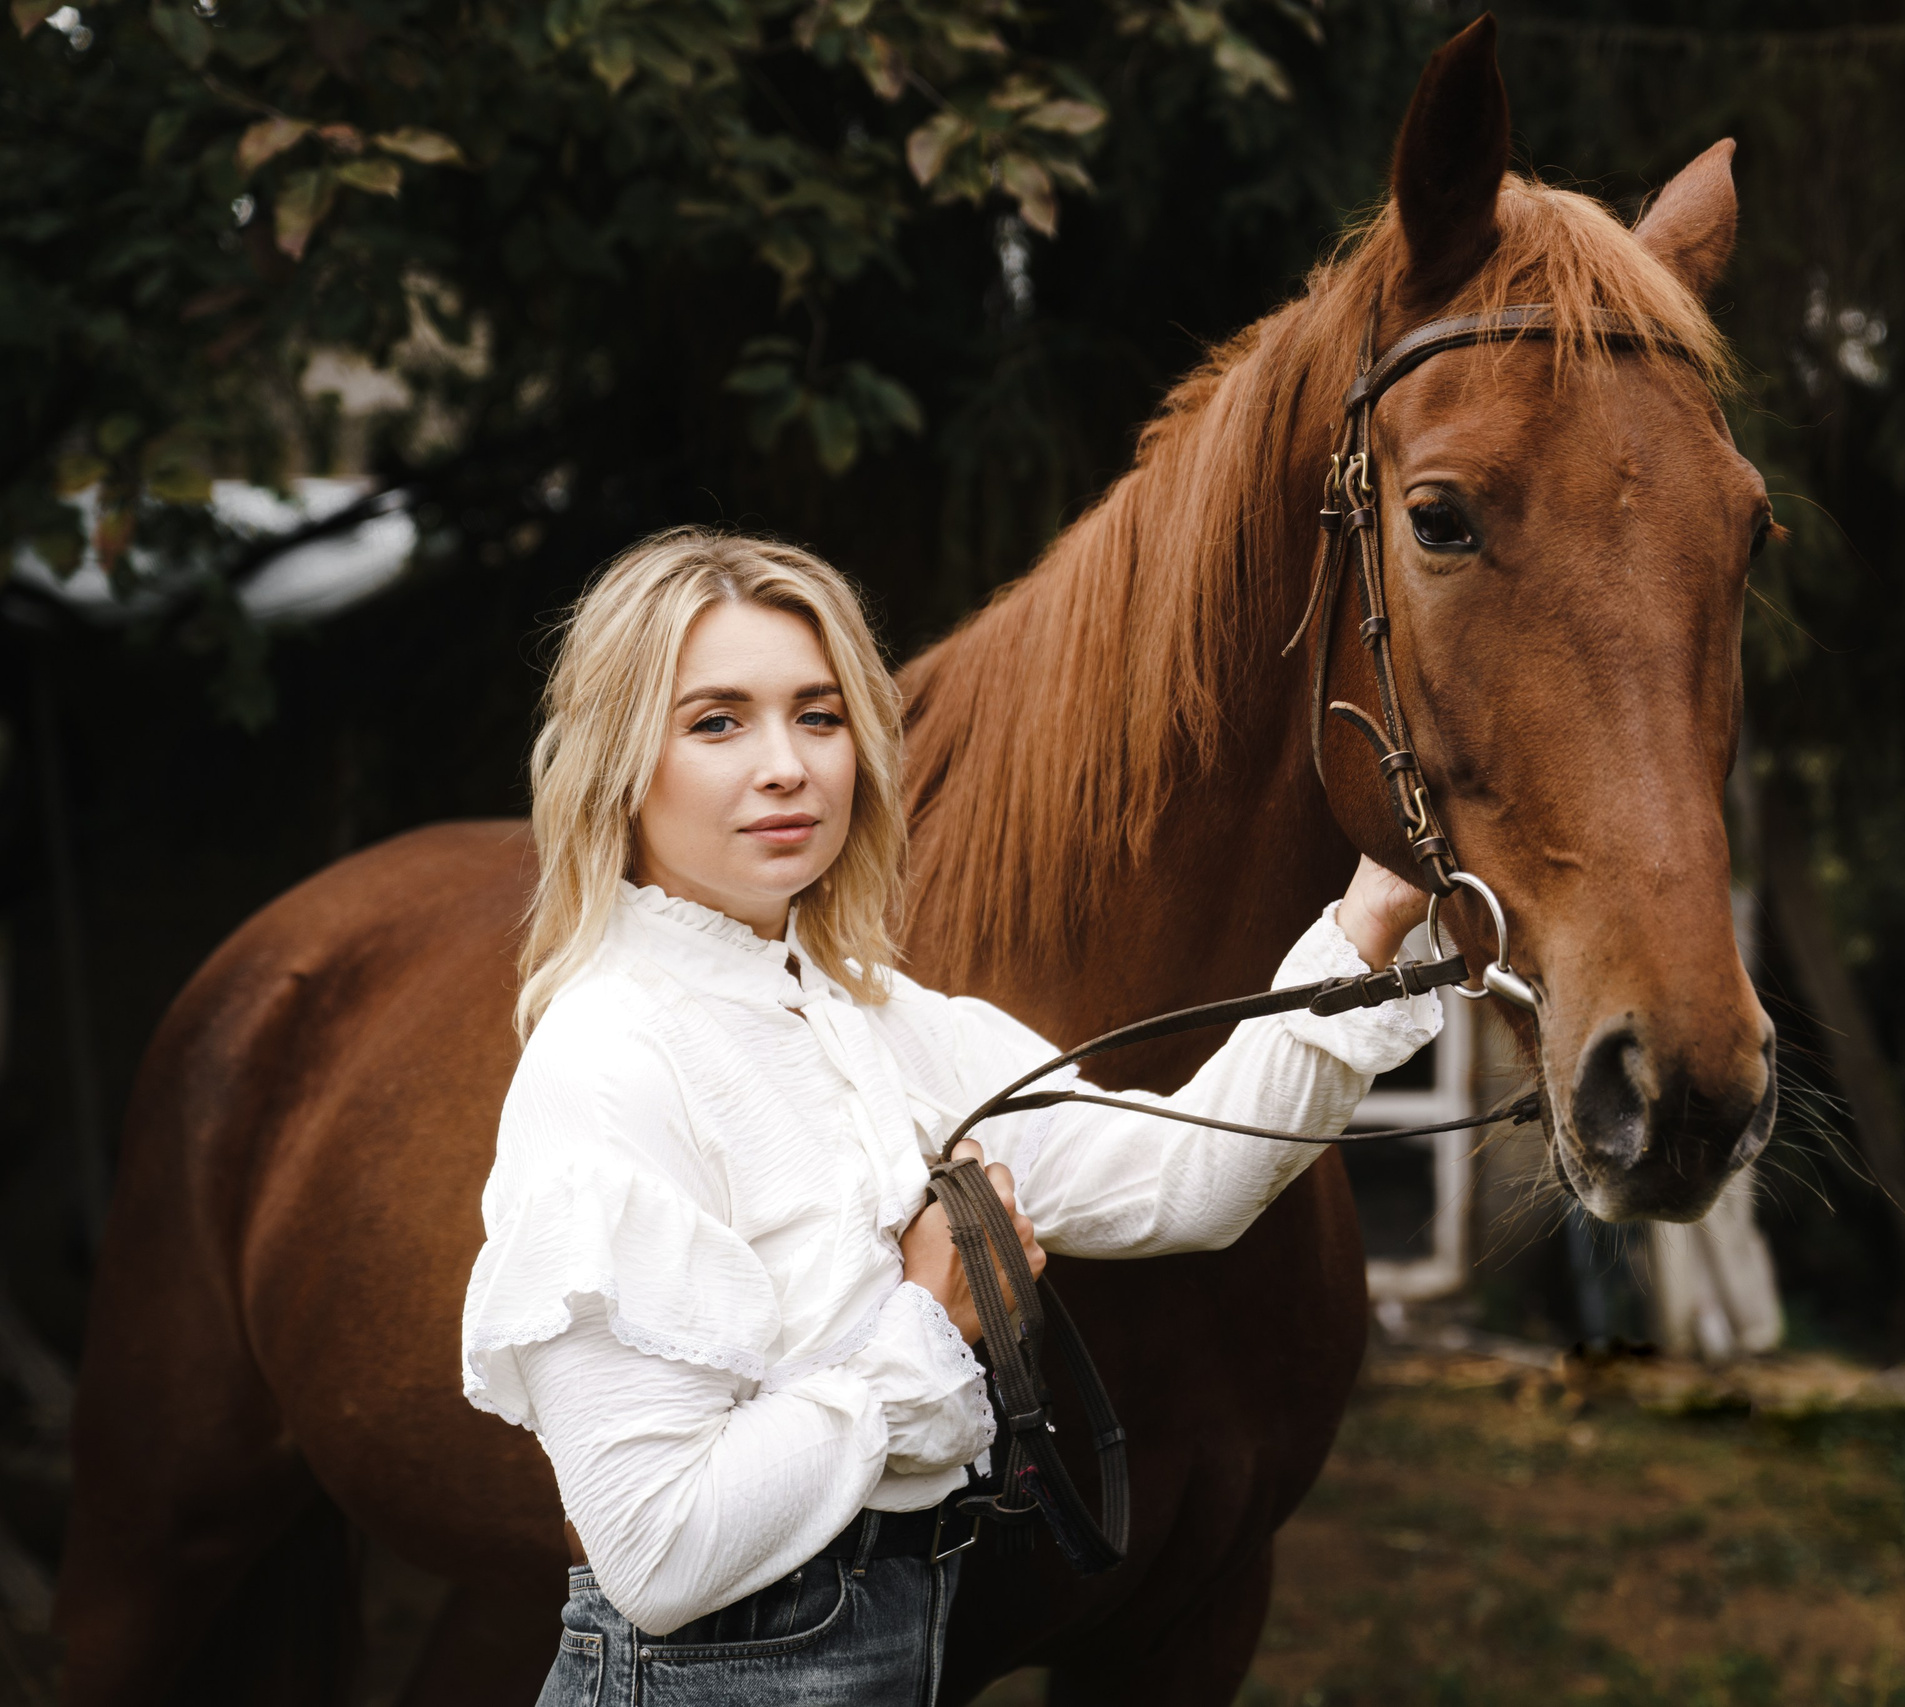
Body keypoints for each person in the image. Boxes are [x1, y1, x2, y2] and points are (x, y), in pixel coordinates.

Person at [459, 530, 1438, 1706]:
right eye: (717, 722)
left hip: (891, 1648)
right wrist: (932, 1315)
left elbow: (1185, 1179)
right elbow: (658, 1556)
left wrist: (1368, 926)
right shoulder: (610, 1055)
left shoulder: (884, 1020)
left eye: (818, 718)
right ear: (620, 762)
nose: (788, 767)